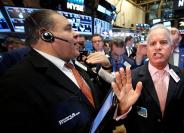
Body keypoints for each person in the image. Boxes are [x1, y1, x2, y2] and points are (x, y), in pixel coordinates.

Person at [0, 9, 138, 133]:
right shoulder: (16, 84)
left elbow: (95, 109)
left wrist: (120, 109)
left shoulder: (75, 65)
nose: (77, 34)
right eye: (68, 29)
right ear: (46, 35)